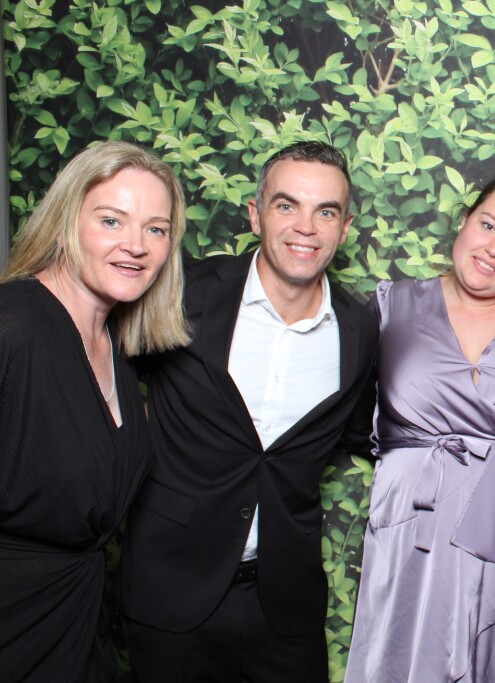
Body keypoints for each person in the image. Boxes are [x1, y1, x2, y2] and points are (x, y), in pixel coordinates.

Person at [118, 141, 379, 682]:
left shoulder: (360, 331)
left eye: (326, 212)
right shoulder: (183, 293)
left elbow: (367, 432)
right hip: (172, 592)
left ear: (345, 228)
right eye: (287, 205)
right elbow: (104, 373)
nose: (306, 227)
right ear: (256, 214)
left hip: (286, 605)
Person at [345, 170, 495, 682]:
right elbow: (352, 416)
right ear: (465, 218)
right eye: (488, 225)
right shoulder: (391, 305)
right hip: (414, 532)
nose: (494, 250)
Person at [0, 141, 189, 681]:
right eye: (112, 221)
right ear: (66, 223)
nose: (136, 246)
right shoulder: (13, 325)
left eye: (156, 229)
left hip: (78, 627)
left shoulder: (116, 351)